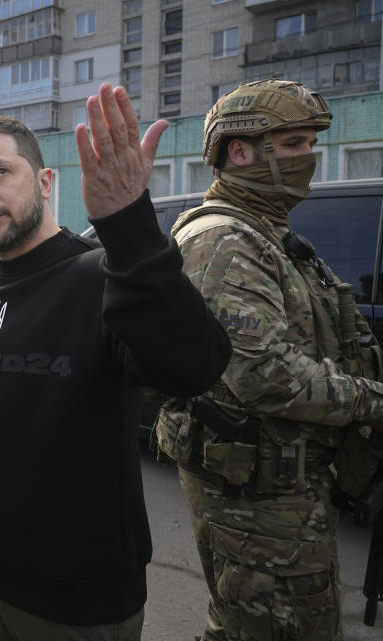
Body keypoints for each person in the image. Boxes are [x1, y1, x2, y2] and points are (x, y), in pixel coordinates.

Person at [0, 82, 232, 640]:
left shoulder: (105, 276)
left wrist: (129, 227)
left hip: (82, 605)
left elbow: (195, 367)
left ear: (46, 182)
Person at [154, 79, 383, 641]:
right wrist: (371, 400)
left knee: (245, 625)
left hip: (283, 485)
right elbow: (266, 376)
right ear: (240, 151)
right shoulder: (226, 241)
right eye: (292, 144)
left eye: (310, 143)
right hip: (258, 493)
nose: (309, 156)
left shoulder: (268, 234)